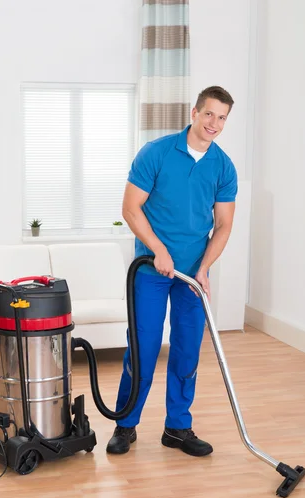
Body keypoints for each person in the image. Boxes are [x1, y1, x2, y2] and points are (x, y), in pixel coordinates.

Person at [107, 86, 238, 456]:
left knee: (186, 351)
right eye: (209, 114)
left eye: (222, 117)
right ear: (194, 112)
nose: (214, 123)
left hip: (192, 276)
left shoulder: (223, 166)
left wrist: (205, 268)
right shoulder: (157, 153)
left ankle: (177, 428)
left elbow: (224, 224)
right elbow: (131, 208)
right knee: (144, 349)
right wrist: (159, 250)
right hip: (150, 271)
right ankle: (126, 424)